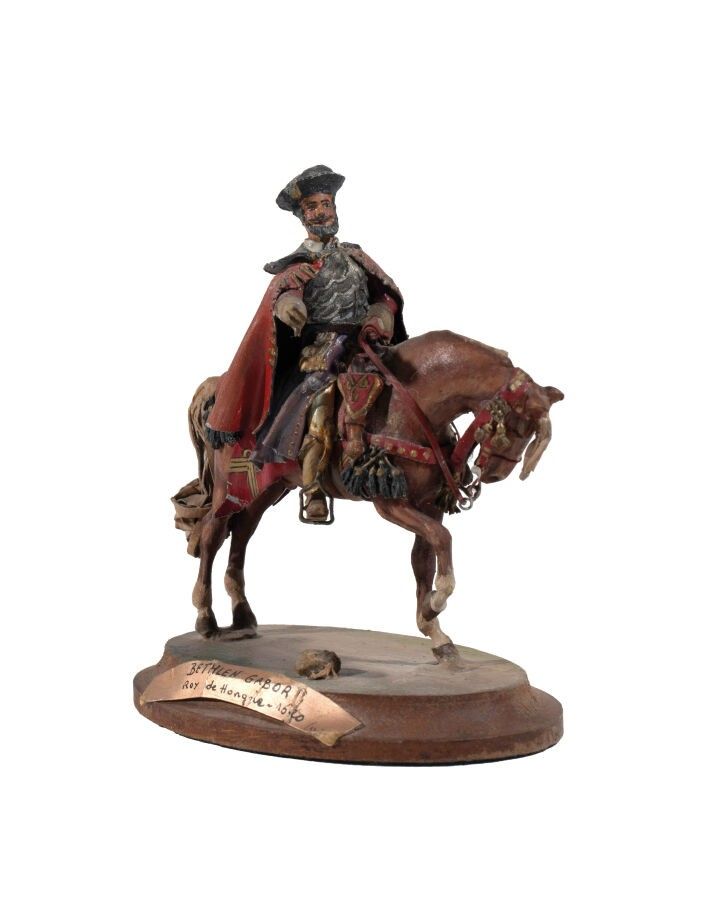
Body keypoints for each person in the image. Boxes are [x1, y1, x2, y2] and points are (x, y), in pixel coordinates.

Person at [206, 165, 407, 521]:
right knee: (320, 406)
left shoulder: (356, 257)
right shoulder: (300, 264)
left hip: (368, 348)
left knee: (410, 386)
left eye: (326, 204)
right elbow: (285, 291)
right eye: (312, 207)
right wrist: (288, 305)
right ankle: (313, 488)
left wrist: (382, 313)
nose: (321, 212)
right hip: (322, 352)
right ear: (302, 217)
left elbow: (384, 294)